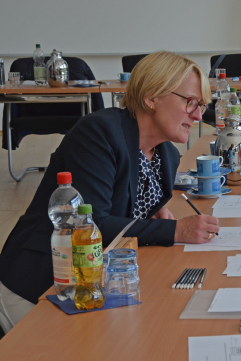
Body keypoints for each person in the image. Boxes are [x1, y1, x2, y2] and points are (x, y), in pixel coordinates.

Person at [0, 51, 220, 331]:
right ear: (150, 97)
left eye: (201, 105)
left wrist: (151, 215)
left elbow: (126, 207)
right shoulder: (99, 133)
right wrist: (175, 231)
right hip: (42, 282)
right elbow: (91, 224)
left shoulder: (166, 154)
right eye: (190, 102)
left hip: (92, 282)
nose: (199, 114)